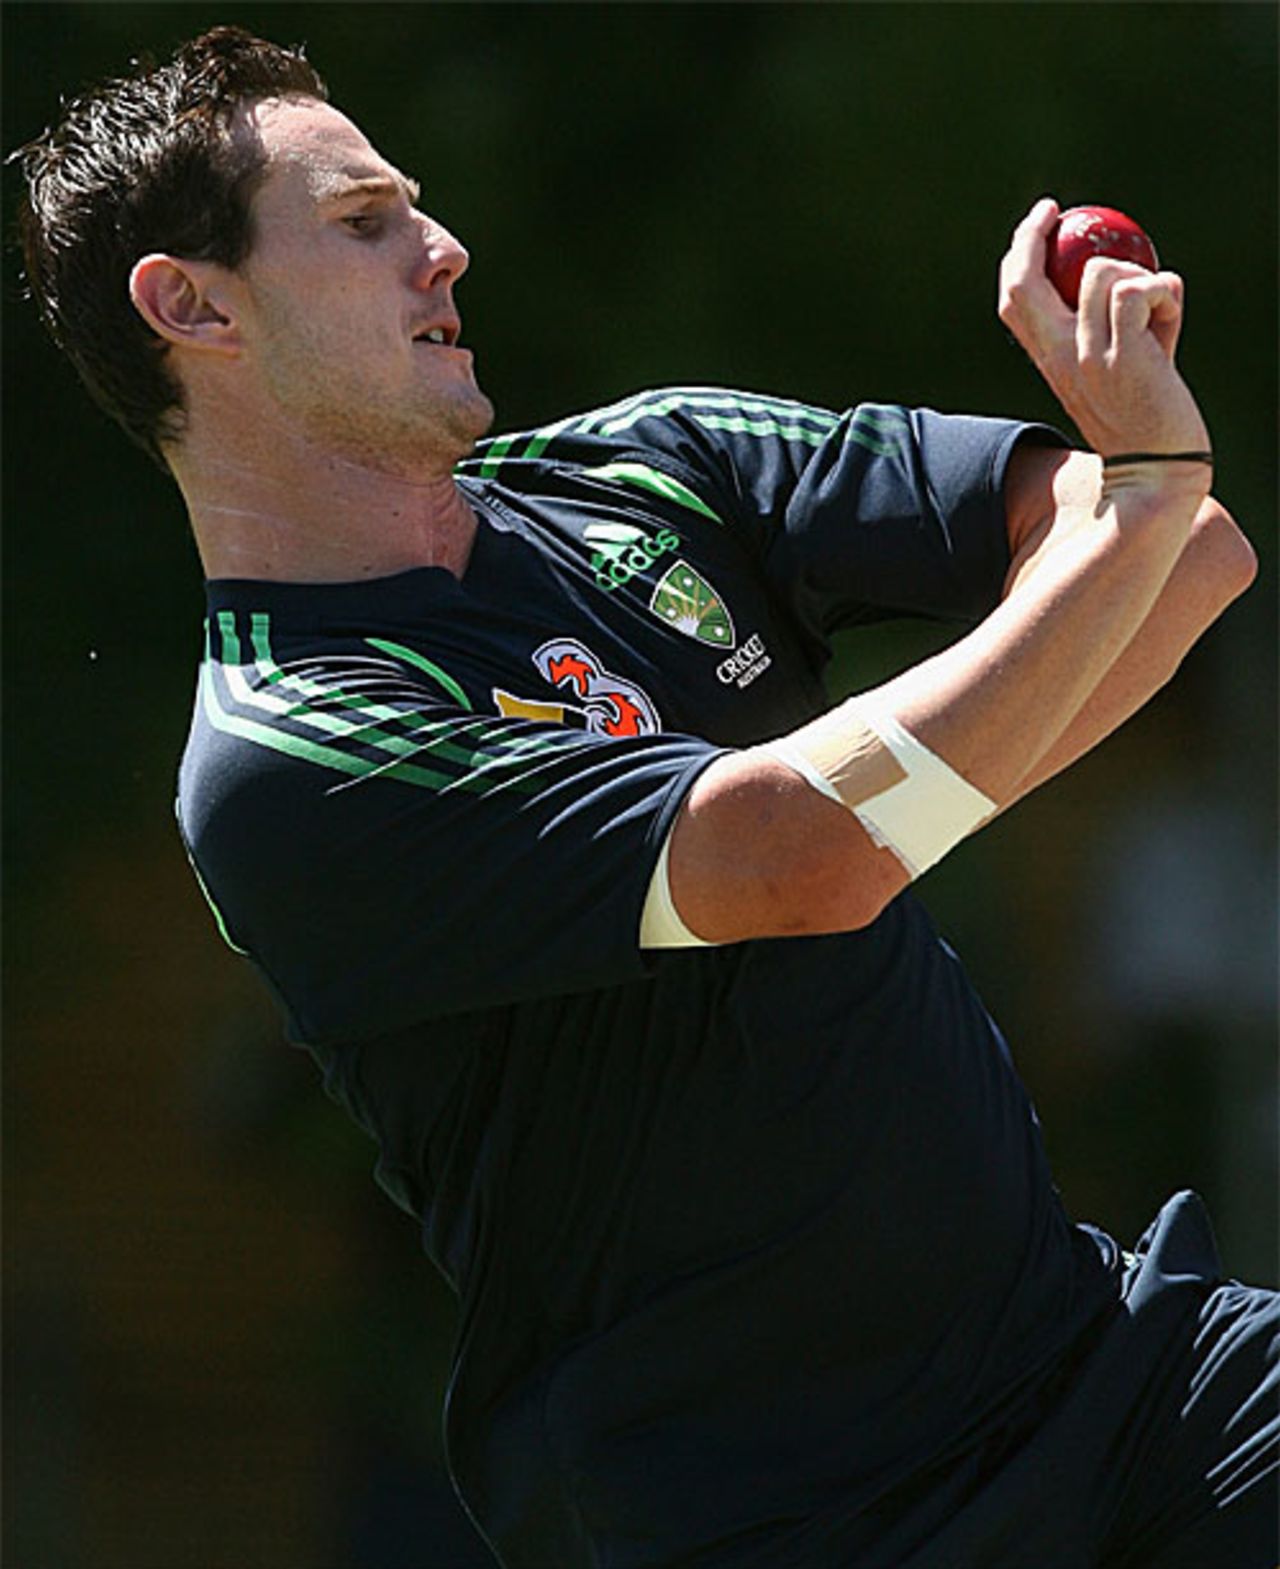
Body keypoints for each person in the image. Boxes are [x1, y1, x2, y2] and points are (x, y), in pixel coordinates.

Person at [13, 25, 1276, 1569]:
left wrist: (1144, 494)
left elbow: (1182, 561)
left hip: (1114, 1373)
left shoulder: (654, 465)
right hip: (795, 1526)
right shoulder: (292, 746)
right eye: (364, 224)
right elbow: (795, 858)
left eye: (414, 207)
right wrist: (1136, 512)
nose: (442, 246)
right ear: (190, 303)